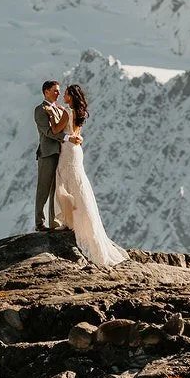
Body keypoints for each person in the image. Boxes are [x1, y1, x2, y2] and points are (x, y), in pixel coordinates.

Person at [52, 83, 128, 265]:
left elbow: (56, 130)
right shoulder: (79, 113)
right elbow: (74, 131)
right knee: (77, 184)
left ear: (72, 96)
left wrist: (51, 116)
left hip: (68, 150)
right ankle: (78, 221)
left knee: (63, 182)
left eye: (66, 94)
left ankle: (69, 220)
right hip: (77, 149)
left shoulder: (67, 112)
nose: (64, 96)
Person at [34, 80, 80, 232]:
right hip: (47, 153)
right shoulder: (40, 110)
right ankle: (40, 223)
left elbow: (66, 128)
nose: (58, 93)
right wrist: (68, 139)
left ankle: (54, 223)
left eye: (59, 91)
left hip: (62, 154)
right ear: (46, 91)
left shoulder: (60, 109)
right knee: (44, 188)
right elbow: (48, 132)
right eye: (55, 91)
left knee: (56, 189)